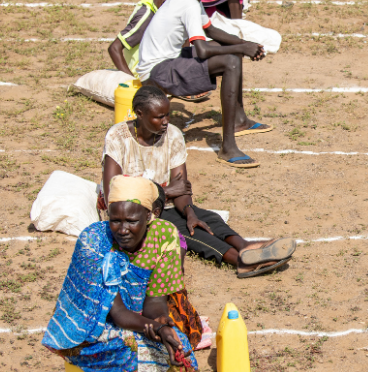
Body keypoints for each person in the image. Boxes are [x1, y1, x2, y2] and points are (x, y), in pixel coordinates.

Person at [43, 175, 206, 372]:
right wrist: (156, 330)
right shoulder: (94, 240)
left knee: (181, 347)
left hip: (138, 318)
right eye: (114, 220)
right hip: (90, 324)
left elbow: (156, 302)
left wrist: (165, 332)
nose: (121, 228)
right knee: (128, 356)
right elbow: (115, 313)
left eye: (131, 220)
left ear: (150, 216)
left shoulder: (165, 237)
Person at [101, 87, 298, 277]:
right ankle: (239, 261)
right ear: (139, 114)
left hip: (162, 206)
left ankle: (245, 246)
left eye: (167, 115)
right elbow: (115, 194)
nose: (165, 122)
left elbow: (182, 188)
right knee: (185, 231)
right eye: (158, 117)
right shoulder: (118, 137)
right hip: (131, 212)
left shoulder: (173, 135)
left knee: (208, 219)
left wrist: (190, 213)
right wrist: (166, 191)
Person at [135, 0, 270, 169]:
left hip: (166, 62)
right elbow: (203, 49)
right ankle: (228, 147)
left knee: (231, 53)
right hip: (157, 73)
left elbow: (212, 31)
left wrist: (246, 43)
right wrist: (242, 49)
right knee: (230, 61)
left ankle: (239, 120)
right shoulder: (188, 4)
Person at [109, 0, 179, 76]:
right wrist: (130, 81)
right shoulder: (146, 18)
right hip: (143, 75)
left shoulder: (157, 11)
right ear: (163, 2)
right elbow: (114, 48)